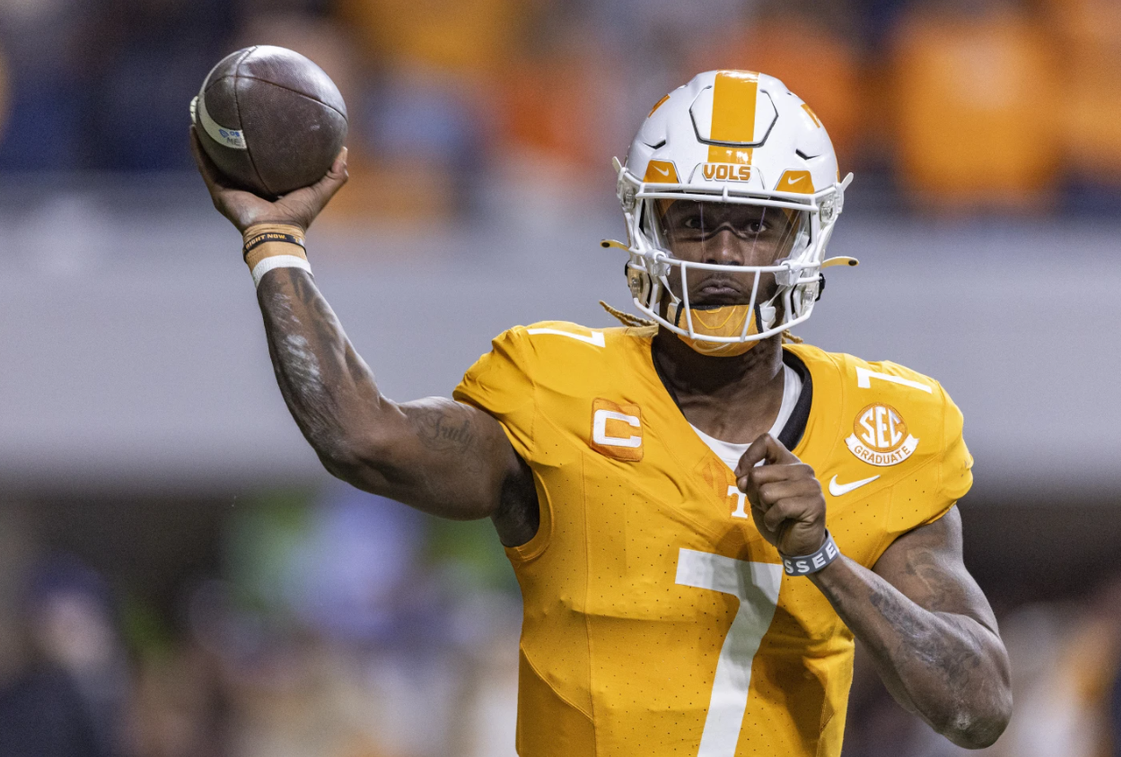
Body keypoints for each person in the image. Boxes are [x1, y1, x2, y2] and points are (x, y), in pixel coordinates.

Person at [191, 69, 1012, 756]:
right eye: (695, 220)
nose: (723, 254)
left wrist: (823, 558)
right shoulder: (555, 386)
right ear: (646, 223)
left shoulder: (888, 426)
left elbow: (979, 705)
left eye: (756, 224)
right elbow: (362, 437)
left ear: (805, 236)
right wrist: (275, 244)